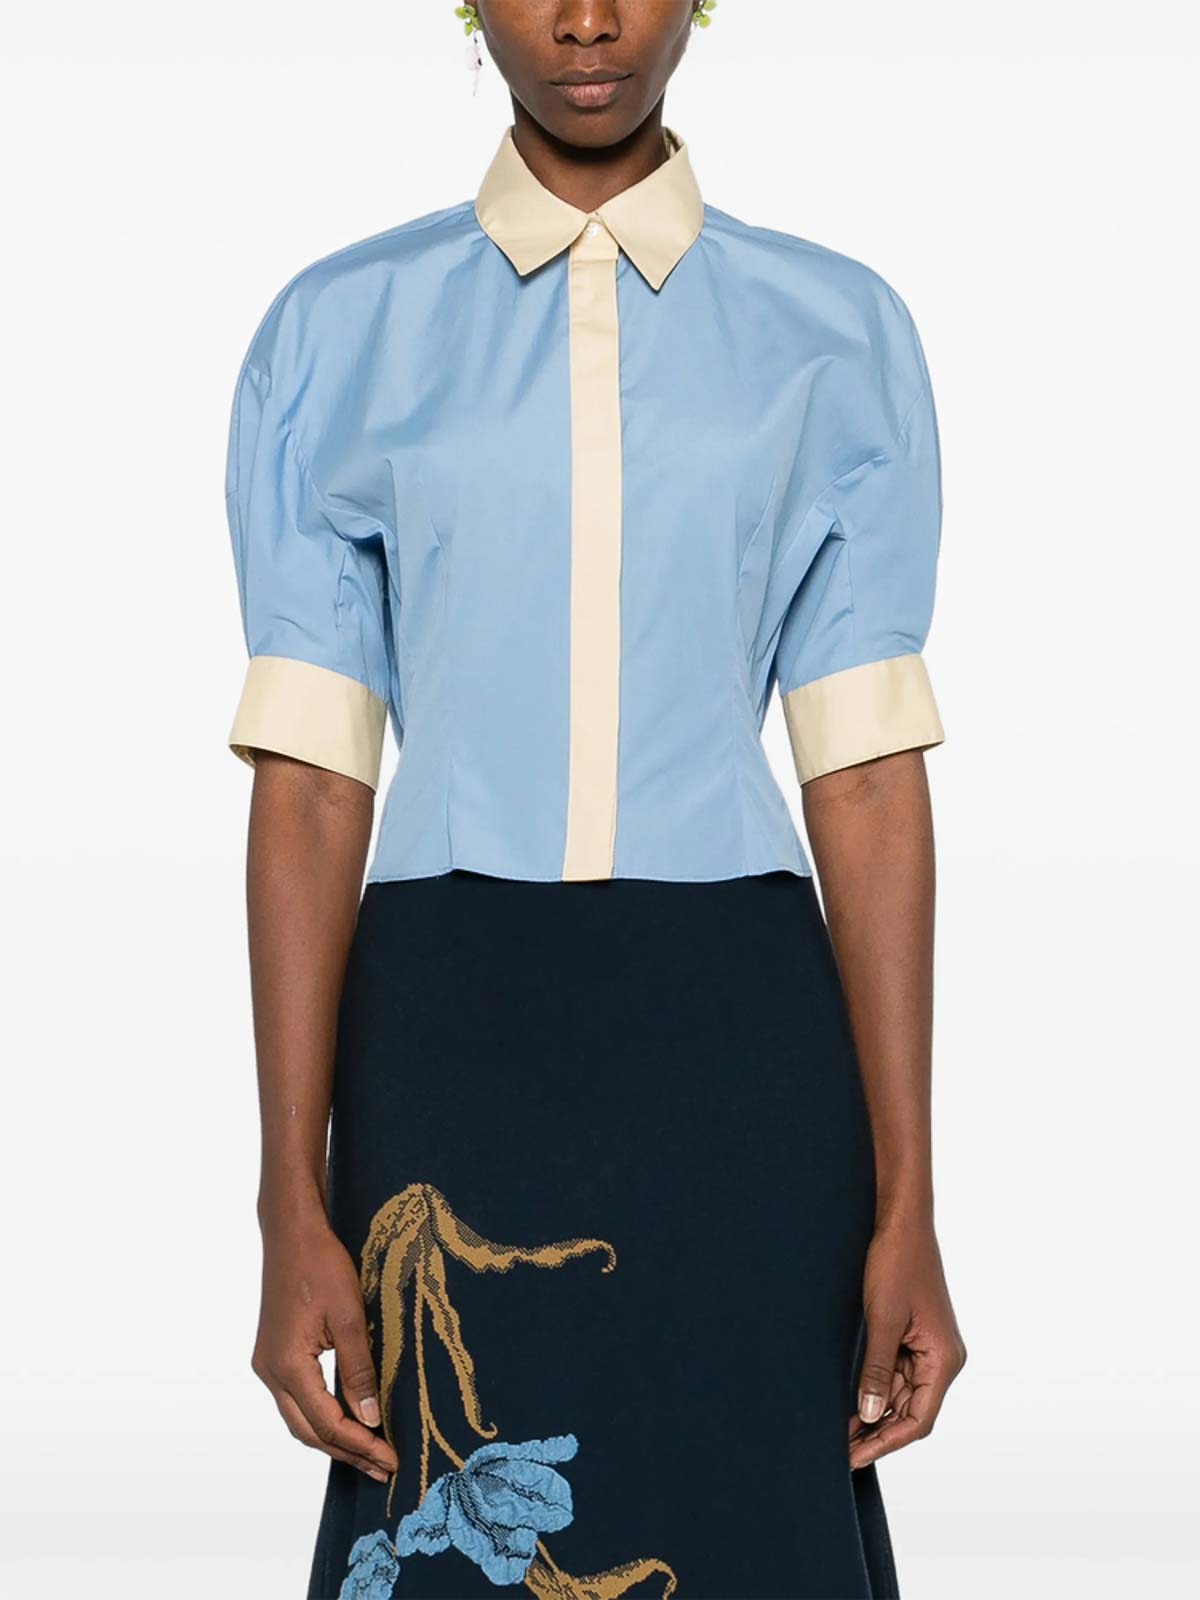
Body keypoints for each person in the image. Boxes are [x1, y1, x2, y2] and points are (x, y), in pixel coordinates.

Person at [223, 4, 966, 1596]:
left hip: (742, 1047)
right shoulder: (339, 331)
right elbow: (310, 789)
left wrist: (909, 1201)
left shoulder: (836, 332)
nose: (584, 18)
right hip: (443, 1033)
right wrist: (289, 1197)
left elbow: (865, 776)